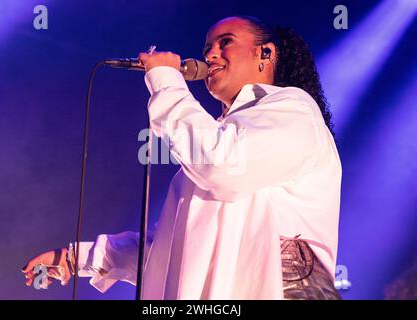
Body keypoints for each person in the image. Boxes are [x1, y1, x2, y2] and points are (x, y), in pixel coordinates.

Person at [22, 16, 342, 300]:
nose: (210, 55)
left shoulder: (293, 109)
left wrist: (165, 80)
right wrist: (74, 258)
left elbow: (223, 166)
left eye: (225, 43)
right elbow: (165, 250)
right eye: (207, 48)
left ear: (266, 53)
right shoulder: (214, 140)